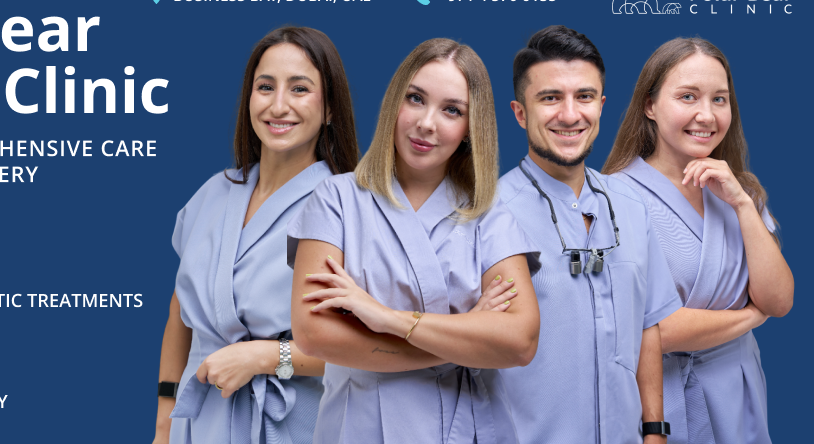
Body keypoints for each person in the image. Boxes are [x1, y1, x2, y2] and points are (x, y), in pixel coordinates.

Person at [289, 38, 541, 444]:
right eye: (415, 98)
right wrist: (468, 334)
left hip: (471, 427)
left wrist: (386, 318)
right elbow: (314, 334)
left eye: (452, 110)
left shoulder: (491, 217)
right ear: (394, 102)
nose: (427, 123)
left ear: (470, 129)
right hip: (361, 427)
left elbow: (519, 342)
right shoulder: (335, 200)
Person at [153, 27, 361, 444]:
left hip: (292, 422)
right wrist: (164, 421)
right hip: (196, 423)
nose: (278, 105)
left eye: (299, 89)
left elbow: (367, 347)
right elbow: (181, 313)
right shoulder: (213, 193)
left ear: (330, 108)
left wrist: (267, 357)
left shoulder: (351, 207)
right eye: (265, 87)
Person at [495, 25, 683, 443]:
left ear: (601, 105)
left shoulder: (632, 207)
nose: (569, 114)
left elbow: (648, 325)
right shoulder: (487, 215)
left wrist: (654, 431)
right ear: (519, 112)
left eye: (583, 97)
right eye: (550, 98)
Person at [602, 37, 793, 444]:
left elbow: (779, 300)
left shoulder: (739, 191)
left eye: (719, 99)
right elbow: (653, 330)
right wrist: (748, 318)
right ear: (649, 106)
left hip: (738, 392)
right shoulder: (613, 199)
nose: (706, 115)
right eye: (688, 96)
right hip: (658, 399)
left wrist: (742, 203)